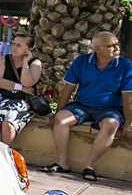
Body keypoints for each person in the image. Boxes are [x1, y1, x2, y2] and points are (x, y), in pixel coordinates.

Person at [42, 31, 132, 181]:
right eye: (112, 46)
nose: (117, 49)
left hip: (110, 109)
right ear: (97, 49)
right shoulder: (82, 61)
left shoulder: (126, 66)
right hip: (82, 105)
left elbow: (128, 98)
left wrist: (127, 123)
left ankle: (89, 166)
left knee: (110, 125)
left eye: (117, 45)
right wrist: (57, 113)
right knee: (61, 119)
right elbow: (68, 90)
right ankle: (63, 162)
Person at [0, 34, 43, 145]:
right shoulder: (4, 60)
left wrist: (26, 63)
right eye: (14, 44)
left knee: (8, 123)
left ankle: (6, 153)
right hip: (2, 97)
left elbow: (27, 82)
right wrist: (20, 87)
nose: (14, 47)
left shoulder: (35, 63)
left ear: (29, 49)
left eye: (19, 45)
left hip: (21, 101)